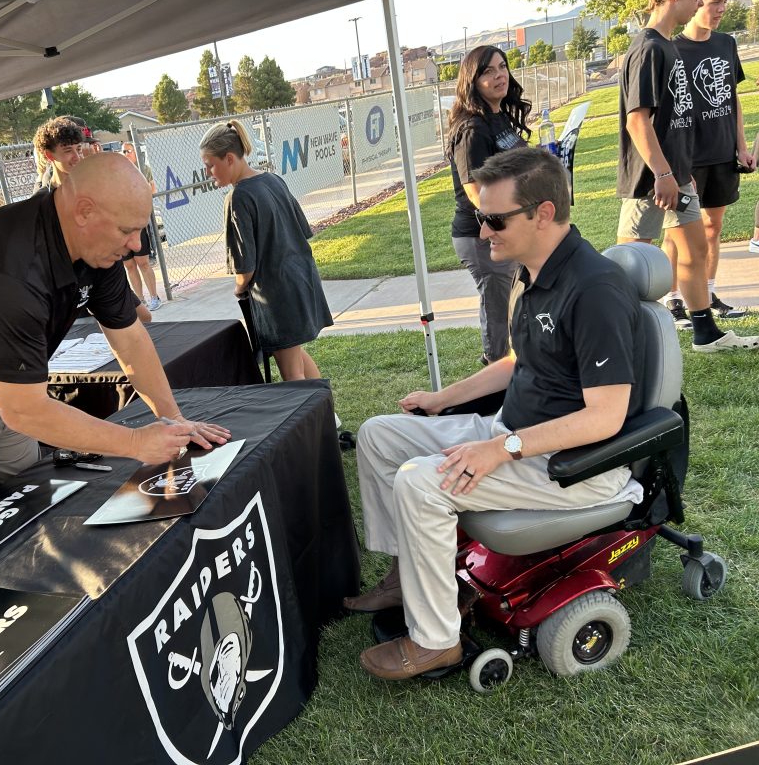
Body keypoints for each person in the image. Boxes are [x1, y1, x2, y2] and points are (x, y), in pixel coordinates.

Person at [346, 148, 644, 679]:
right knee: (378, 436)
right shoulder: (534, 273)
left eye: (494, 219)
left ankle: (437, 641)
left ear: (543, 213)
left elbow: (606, 417)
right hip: (514, 433)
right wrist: (445, 398)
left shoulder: (595, 289)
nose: (483, 232)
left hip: (575, 465)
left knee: (420, 482)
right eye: (482, 218)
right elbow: (516, 361)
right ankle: (404, 578)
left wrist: (499, 449)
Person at [0, 153, 230, 524]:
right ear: (84, 211)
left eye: (140, 230)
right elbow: (23, 409)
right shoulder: (7, 266)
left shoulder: (97, 247)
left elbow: (130, 338)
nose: (136, 245)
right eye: (126, 231)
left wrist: (174, 421)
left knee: (32, 491)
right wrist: (135, 443)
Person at [617, 0, 759, 353]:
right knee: (632, 261)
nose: (699, 1)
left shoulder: (666, 44)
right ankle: (613, 335)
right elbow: (637, 120)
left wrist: (681, 170)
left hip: (677, 174)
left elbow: (674, 116)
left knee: (695, 249)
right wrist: (663, 172)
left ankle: (706, 334)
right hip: (650, 179)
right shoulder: (648, 47)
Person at [200, 120, 333, 382]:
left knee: (291, 373)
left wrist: (239, 288)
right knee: (294, 355)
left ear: (229, 158)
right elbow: (303, 230)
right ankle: (328, 416)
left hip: (276, 294)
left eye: (210, 165)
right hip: (301, 280)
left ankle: (320, 421)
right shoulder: (273, 179)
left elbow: (245, 267)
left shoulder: (238, 198)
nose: (208, 173)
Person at [661, 0, 751, 322]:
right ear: (696, 3)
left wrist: (741, 147)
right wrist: (677, 165)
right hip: (689, 159)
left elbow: (733, 96)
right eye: (715, 2)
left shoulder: (727, 43)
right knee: (677, 232)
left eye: (724, 2)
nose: (721, 9)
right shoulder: (672, 50)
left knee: (713, 228)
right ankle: (674, 300)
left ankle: (709, 293)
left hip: (723, 153)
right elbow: (667, 113)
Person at [446, 45, 531, 365]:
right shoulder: (472, 128)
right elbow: (475, 190)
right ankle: (494, 378)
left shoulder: (499, 117)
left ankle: (517, 372)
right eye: (489, 71)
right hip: (482, 233)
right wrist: (505, 224)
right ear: (473, 81)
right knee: (498, 313)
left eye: (503, 67)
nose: (500, 76)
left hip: (510, 226)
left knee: (516, 305)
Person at [122, 142, 162, 310]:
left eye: (128, 151)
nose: (125, 154)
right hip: (121, 226)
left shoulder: (142, 169)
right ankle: (140, 300)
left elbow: (152, 189)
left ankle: (154, 297)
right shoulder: (119, 172)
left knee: (142, 262)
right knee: (129, 265)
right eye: (123, 151)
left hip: (137, 225)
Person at [32, 116, 88, 194]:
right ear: (49, 155)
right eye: (68, 151)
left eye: (79, 150)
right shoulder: (42, 201)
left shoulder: (93, 187)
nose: (77, 157)